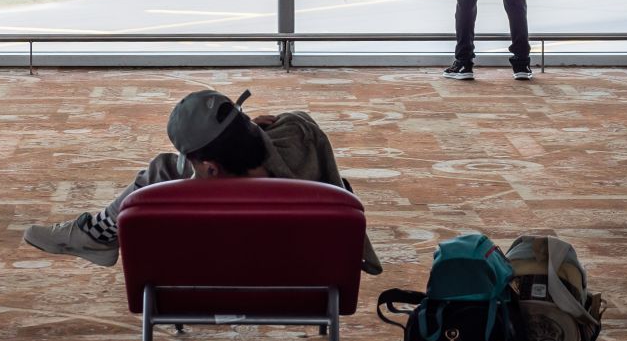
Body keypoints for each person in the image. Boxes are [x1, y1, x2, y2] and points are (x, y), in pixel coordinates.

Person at [23, 88, 383, 275]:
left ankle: (98, 234)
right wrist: (273, 125)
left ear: (209, 168)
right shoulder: (302, 143)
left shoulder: (176, 197)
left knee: (162, 170)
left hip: (207, 285)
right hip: (311, 283)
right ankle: (98, 234)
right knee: (167, 169)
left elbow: (183, 175)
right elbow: (301, 122)